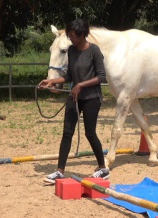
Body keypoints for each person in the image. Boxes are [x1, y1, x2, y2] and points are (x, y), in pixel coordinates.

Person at [39, 19, 109, 184]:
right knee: (67, 133)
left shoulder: (94, 51)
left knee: (90, 133)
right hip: (74, 97)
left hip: (92, 98)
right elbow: (70, 75)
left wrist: (81, 85)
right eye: (69, 35)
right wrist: (52, 81)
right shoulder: (71, 51)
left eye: (72, 35)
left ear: (82, 34)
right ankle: (59, 171)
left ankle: (103, 168)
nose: (70, 38)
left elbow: (102, 77)